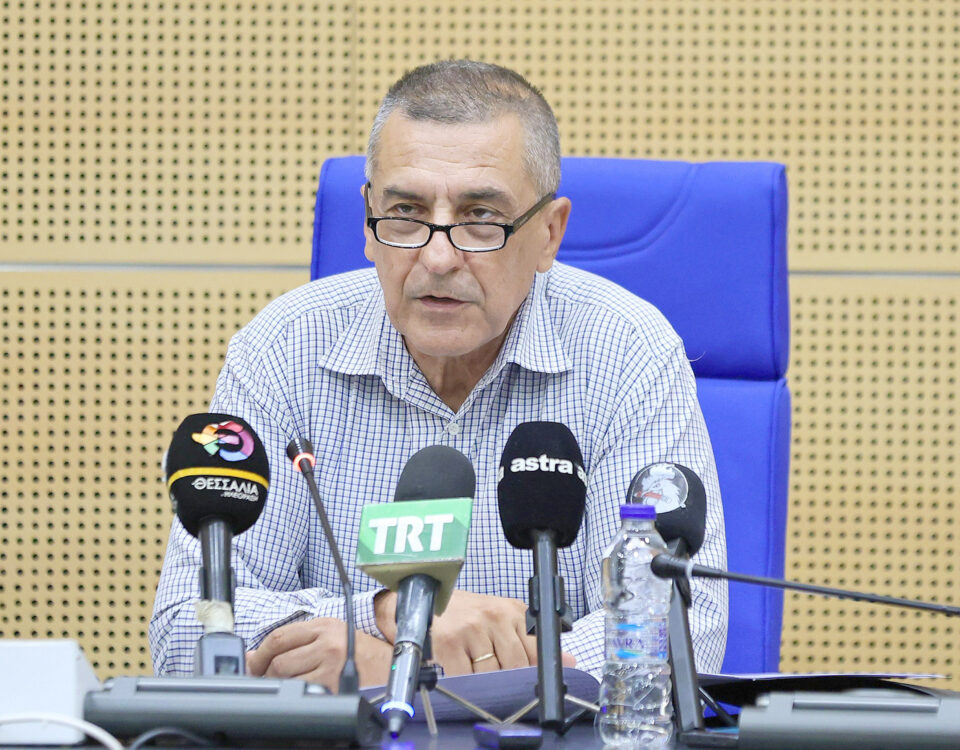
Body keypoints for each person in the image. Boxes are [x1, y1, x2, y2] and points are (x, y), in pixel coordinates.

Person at [149, 60, 727, 690]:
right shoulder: (283, 350)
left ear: (548, 233)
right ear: (367, 221)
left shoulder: (626, 351)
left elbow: (680, 629)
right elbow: (186, 633)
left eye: (480, 217)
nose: (439, 256)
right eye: (406, 211)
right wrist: (385, 614)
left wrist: (410, 669)